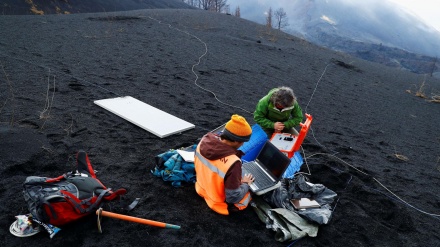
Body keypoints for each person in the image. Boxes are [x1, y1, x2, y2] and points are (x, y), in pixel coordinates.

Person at [194, 114, 254, 215]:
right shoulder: (233, 163)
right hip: (217, 202)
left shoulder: (204, 140)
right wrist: (246, 184)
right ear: (235, 140)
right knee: (251, 192)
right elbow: (232, 198)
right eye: (242, 141)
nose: (243, 144)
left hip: (201, 188)